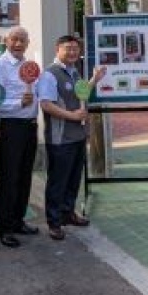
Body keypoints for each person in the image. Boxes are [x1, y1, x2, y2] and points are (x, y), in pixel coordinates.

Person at [38, 35, 106, 240]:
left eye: (76, 49)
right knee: (58, 182)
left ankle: (68, 213)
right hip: (60, 139)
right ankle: (54, 222)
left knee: (73, 179)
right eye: (68, 48)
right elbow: (46, 104)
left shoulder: (74, 72)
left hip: (77, 136)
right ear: (57, 49)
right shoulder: (50, 75)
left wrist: (94, 79)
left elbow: (82, 93)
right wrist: (72, 116)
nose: (73, 52)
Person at [0, 26, 40, 247]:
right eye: (15, 40)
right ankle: (4, 227)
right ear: (6, 42)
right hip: (11, 127)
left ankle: (19, 220)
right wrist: (19, 103)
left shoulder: (29, 66)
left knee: (25, 175)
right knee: (10, 178)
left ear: (28, 43)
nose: (18, 44)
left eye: (23, 40)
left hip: (29, 126)